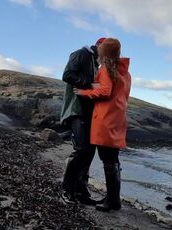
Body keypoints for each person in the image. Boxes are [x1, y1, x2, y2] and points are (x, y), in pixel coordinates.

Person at [74, 38, 131, 212]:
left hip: (105, 120)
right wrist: (94, 86)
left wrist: (83, 92)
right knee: (113, 160)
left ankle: (113, 201)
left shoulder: (106, 69)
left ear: (103, 53)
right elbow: (112, 91)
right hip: (117, 119)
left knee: (108, 160)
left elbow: (105, 91)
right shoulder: (125, 73)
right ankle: (113, 198)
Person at [60, 37, 106, 205]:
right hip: (75, 110)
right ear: (99, 45)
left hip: (88, 112)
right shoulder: (80, 54)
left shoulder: (96, 63)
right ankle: (66, 190)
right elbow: (67, 75)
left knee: (89, 151)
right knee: (81, 149)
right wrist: (89, 85)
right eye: (105, 48)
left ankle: (80, 191)